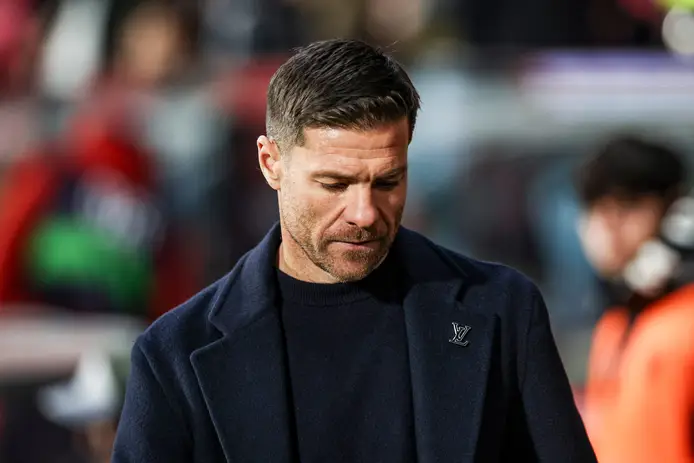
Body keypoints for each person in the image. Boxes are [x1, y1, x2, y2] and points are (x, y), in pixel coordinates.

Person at [112, 39, 595, 463]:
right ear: (271, 163)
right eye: (335, 184)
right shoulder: (174, 356)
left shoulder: (502, 312)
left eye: (387, 182)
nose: (364, 213)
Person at [576, 135, 694, 463]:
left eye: (627, 207)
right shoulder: (614, 325)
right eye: (596, 208)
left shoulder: (685, 324)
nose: (608, 226)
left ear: (675, 211)